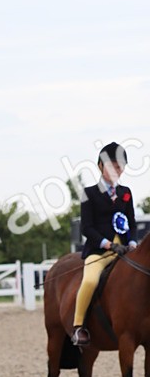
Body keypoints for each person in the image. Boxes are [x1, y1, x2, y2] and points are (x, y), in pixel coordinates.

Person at [71, 142, 137, 346]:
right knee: (90, 280)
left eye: (119, 167)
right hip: (100, 251)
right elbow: (86, 228)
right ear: (101, 166)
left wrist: (133, 242)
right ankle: (79, 326)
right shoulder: (89, 193)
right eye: (111, 166)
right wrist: (108, 244)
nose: (116, 171)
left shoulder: (126, 191)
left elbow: (131, 222)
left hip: (125, 251)